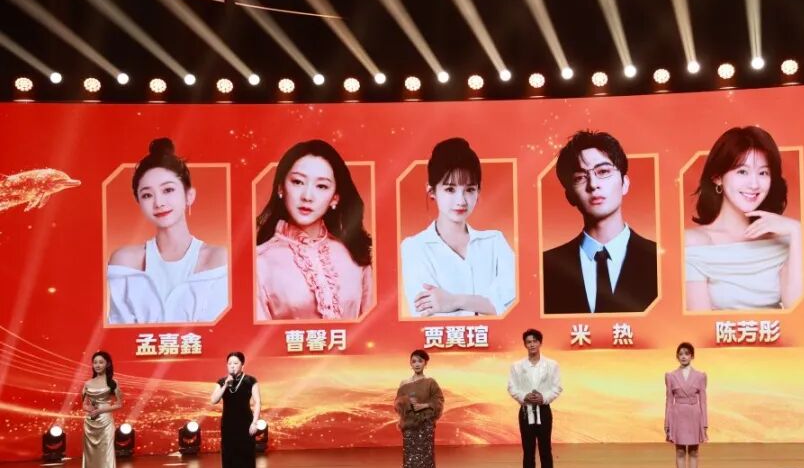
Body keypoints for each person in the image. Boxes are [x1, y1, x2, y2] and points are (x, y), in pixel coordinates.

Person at [107, 138, 228, 324]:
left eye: (168, 190)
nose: (159, 202)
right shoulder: (125, 260)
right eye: (147, 195)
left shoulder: (217, 257)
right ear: (139, 202)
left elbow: (221, 330)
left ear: (189, 196)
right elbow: (118, 333)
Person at [685, 126, 803, 310]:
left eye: (763, 173)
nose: (754, 184)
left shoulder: (784, 241)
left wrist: (797, 231)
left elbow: (797, 311)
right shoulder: (693, 243)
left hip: (777, 330)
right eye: (742, 172)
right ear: (717, 177)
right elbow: (698, 323)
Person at [255, 140, 374, 320]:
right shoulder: (260, 262)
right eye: (298, 182)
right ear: (281, 188)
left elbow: (374, 327)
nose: (307, 196)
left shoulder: (355, 255)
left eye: (321, 186)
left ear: (335, 198)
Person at [542, 130, 657, 314]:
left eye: (603, 171)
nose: (593, 184)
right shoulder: (546, 266)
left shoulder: (659, 259)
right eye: (580, 178)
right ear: (569, 196)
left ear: (625, 183)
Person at [400, 138, 515, 317]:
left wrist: (453, 301)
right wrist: (486, 305)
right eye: (450, 189)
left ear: (478, 191)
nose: (461, 201)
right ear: (431, 191)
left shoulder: (495, 241)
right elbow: (425, 314)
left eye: (469, 189)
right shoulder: (414, 247)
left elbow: (514, 306)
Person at [507, 329, 562, 468]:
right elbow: (511, 387)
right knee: (528, 453)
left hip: (544, 411)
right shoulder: (517, 366)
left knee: (545, 452)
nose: (531, 345)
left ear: (540, 343)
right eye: (528, 342)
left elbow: (557, 387)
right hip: (526, 412)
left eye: (534, 341)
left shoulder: (552, 365)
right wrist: (524, 396)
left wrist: (543, 398)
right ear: (525, 345)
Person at [73, 352, 125, 468]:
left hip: (105, 422)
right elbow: (84, 404)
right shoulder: (88, 383)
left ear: (107, 364)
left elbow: (119, 404)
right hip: (91, 423)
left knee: (106, 459)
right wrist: (89, 409)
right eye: (95, 362)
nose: (97, 365)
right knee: (91, 461)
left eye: (101, 362)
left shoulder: (113, 383)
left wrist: (102, 410)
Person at [394, 349, 444, 468]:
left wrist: (425, 405)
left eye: (420, 361)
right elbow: (397, 404)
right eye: (414, 361)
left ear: (425, 363)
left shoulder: (431, 383)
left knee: (426, 458)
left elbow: (439, 401)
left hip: (426, 425)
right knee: (411, 459)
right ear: (410, 363)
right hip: (410, 425)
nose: (417, 364)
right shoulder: (404, 383)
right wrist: (406, 404)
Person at [210, 352, 261, 468]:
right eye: (230, 363)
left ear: (242, 365)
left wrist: (255, 422)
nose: (232, 366)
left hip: (245, 423)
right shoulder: (222, 381)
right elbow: (213, 400)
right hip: (228, 424)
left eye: (236, 363)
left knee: (245, 456)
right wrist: (226, 384)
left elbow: (257, 402)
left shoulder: (250, 381)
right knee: (229, 457)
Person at [664, 342, 708, 468]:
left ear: (692, 356)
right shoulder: (670, 376)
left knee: (694, 452)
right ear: (677, 356)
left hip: (694, 415)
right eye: (681, 354)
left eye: (687, 354)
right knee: (680, 452)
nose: (683, 357)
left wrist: (704, 423)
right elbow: (669, 401)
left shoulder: (701, 376)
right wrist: (667, 422)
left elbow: (703, 401)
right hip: (678, 415)